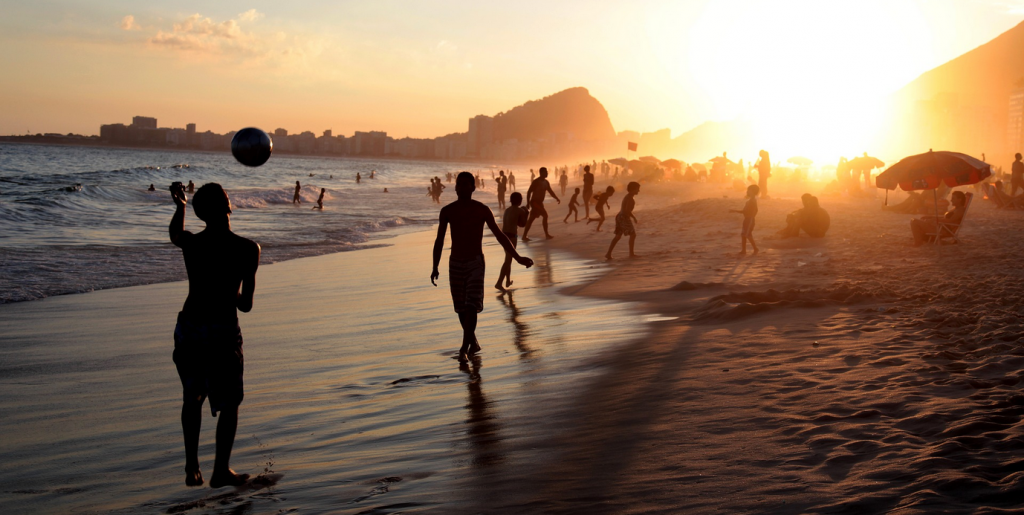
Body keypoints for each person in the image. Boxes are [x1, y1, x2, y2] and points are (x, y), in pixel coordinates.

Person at [168, 182, 260, 488]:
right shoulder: (248, 249)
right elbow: (245, 305)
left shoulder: (193, 244)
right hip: (222, 330)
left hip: (191, 326)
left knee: (192, 397)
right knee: (230, 402)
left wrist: (180, 206)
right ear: (229, 206)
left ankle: (192, 466)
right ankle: (221, 469)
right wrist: (228, 287)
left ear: (201, 214)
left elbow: (175, 236)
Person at [431, 172, 533, 363]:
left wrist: (518, 257)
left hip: (475, 262)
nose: (461, 187)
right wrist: (435, 266)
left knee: (471, 305)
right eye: (459, 184)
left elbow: (500, 236)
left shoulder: (482, 210)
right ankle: (473, 341)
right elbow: (439, 240)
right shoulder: (447, 211)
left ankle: (464, 347)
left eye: (466, 184)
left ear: (473, 187)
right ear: (455, 188)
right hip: (455, 263)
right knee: (460, 308)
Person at [496, 192, 530, 291]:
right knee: (508, 260)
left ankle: (507, 280)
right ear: (519, 201)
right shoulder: (519, 210)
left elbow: (515, 222)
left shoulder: (507, 210)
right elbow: (522, 224)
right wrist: (526, 213)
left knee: (508, 258)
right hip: (512, 237)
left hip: (503, 236)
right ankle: (499, 283)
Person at [521, 167, 560, 241]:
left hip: (540, 203)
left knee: (531, 219)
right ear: (541, 173)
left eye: (547, 172)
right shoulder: (536, 182)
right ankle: (546, 235)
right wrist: (528, 203)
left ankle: (524, 236)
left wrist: (556, 198)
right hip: (534, 202)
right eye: (545, 172)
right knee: (545, 215)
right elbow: (529, 192)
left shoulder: (546, 182)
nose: (547, 173)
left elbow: (550, 191)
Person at [606, 182, 640, 259]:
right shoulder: (630, 199)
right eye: (637, 189)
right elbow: (627, 210)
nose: (638, 191)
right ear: (632, 189)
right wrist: (633, 217)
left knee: (618, 236)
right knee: (633, 234)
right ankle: (631, 254)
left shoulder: (628, 197)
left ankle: (608, 253)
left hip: (619, 216)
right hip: (623, 217)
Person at [730, 184, 760, 254]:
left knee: (747, 235)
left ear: (752, 191)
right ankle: (744, 250)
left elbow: (750, 210)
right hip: (747, 219)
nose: (747, 192)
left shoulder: (752, 201)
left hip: (749, 220)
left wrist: (734, 211)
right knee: (743, 235)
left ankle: (755, 248)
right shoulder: (751, 200)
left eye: (748, 190)